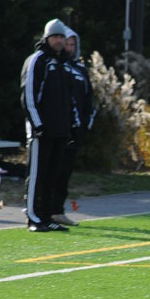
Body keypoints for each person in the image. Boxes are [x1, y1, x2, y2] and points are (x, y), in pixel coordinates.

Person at [21, 18, 78, 232]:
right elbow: (28, 95)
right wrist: (38, 125)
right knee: (37, 176)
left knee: (51, 177)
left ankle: (47, 217)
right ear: (47, 38)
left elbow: (70, 99)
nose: (59, 41)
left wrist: (70, 127)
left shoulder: (64, 64)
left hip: (60, 132)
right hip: (41, 132)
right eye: (55, 36)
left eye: (62, 37)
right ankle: (33, 218)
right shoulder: (38, 60)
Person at [52, 27, 96, 226]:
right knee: (50, 171)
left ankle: (57, 211)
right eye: (66, 43)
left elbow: (88, 100)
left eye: (72, 44)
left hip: (75, 132)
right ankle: (40, 210)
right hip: (56, 129)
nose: (69, 48)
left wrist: (84, 125)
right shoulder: (54, 66)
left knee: (65, 173)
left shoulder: (80, 70)